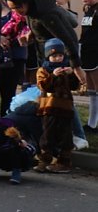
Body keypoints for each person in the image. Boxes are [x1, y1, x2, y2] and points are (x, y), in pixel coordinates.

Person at [4, 0, 86, 87]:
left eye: (17, 7)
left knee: (55, 94)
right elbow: (41, 27)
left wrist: (76, 67)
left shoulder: (46, 15)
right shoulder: (31, 8)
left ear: (25, 2)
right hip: (46, 57)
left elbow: (66, 39)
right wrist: (31, 34)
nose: (16, 12)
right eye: (12, 9)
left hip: (58, 60)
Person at [34, 38, 80, 174]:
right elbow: (44, 86)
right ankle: (44, 160)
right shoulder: (43, 70)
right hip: (48, 108)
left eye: (60, 55)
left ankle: (64, 162)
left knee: (65, 136)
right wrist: (53, 76)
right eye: (54, 56)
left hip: (65, 108)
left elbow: (74, 86)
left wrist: (72, 75)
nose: (57, 58)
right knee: (47, 136)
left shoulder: (67, 69)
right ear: (48, 56)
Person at [79, 0, 98, 132]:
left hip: (96, 52)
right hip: (87, 52)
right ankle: (92, 123)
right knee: (91, 89)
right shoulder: (87, 10)